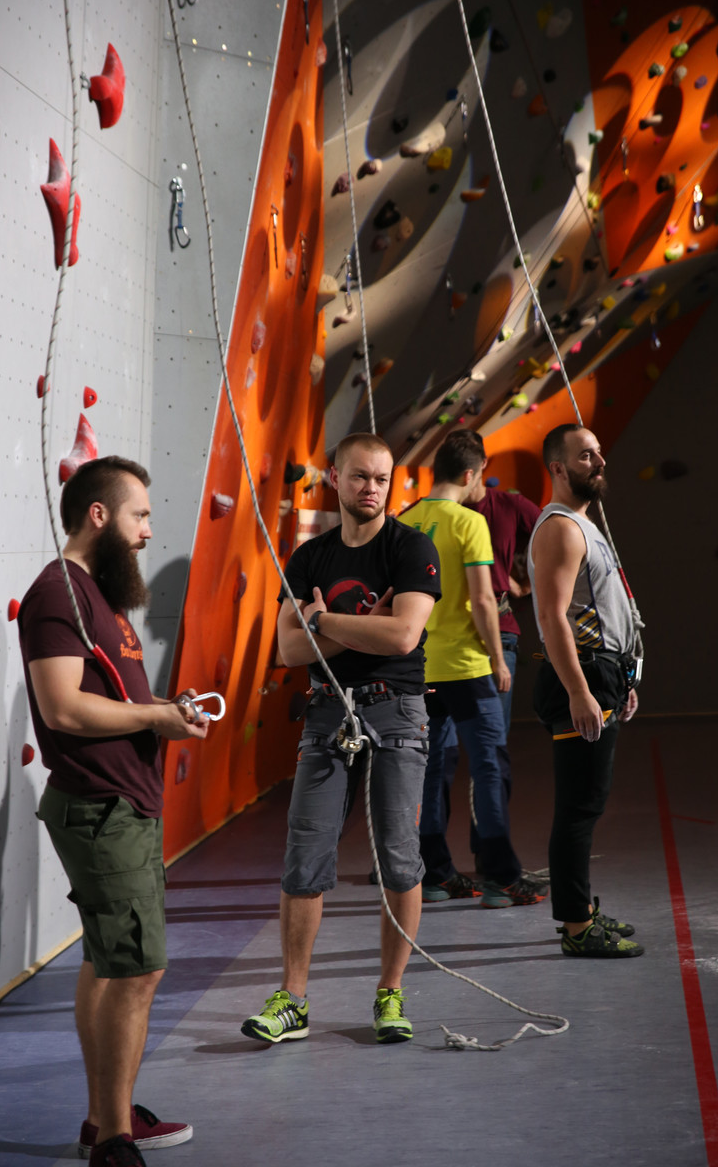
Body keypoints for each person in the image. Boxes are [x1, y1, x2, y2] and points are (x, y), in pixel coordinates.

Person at [18, 456, 209, 1167]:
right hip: (102, 808)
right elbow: (63, 708)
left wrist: (164, 711)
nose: (148, 532)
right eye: (140, 516)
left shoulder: (97, 595)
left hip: (123, 805)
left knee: (108, 962)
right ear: (98, 515)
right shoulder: (58, 594)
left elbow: (114, 698)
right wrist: (154, 717)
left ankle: (108, 1116)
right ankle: (113, 1141)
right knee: (135, 971)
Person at [241, 433, 441, 1046]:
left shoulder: (411, 548)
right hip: (328, 712)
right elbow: (288, 648)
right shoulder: (309, 558)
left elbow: (403, 637)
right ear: (335, 478)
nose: (371, 488)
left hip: (395, 711)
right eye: (359, 476)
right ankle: (293, 1000)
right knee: (305, 855)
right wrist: (359, 626)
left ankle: (390, 992)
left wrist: (322, 619)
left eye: (381, 478)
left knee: (398, 856)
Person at [398, 431, 546, 909]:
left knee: (432, 767)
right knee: (488, 765)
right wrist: (498, 660)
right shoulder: (469, 522)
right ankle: (501, 878)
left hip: (421, 669)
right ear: (469, 474)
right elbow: (483, 599)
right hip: (467, 666)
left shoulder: (404, 522)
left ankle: (436, 876)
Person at [527, 424, 644, 958]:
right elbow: (553, 617)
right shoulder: (560, 528)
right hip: (583, 676)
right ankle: (576, 927)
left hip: (603, 675)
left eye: (598, 452)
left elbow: (601, 610)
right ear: (557, 468)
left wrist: (623, 680)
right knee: (578, 807)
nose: (599, 461)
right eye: (585, 455)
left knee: (587, 803)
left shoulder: (584, 524)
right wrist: (580, 690)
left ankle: (582, 912)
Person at [461, 430, 541, 875]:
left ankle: (489, 859)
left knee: (491, 752)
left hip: (500, 636)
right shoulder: (442, 512)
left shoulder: (509, 505)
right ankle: (425, 862)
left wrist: (523, 583)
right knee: (436, 756)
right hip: (451, 639)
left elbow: (555, 537)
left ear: (481, 469)